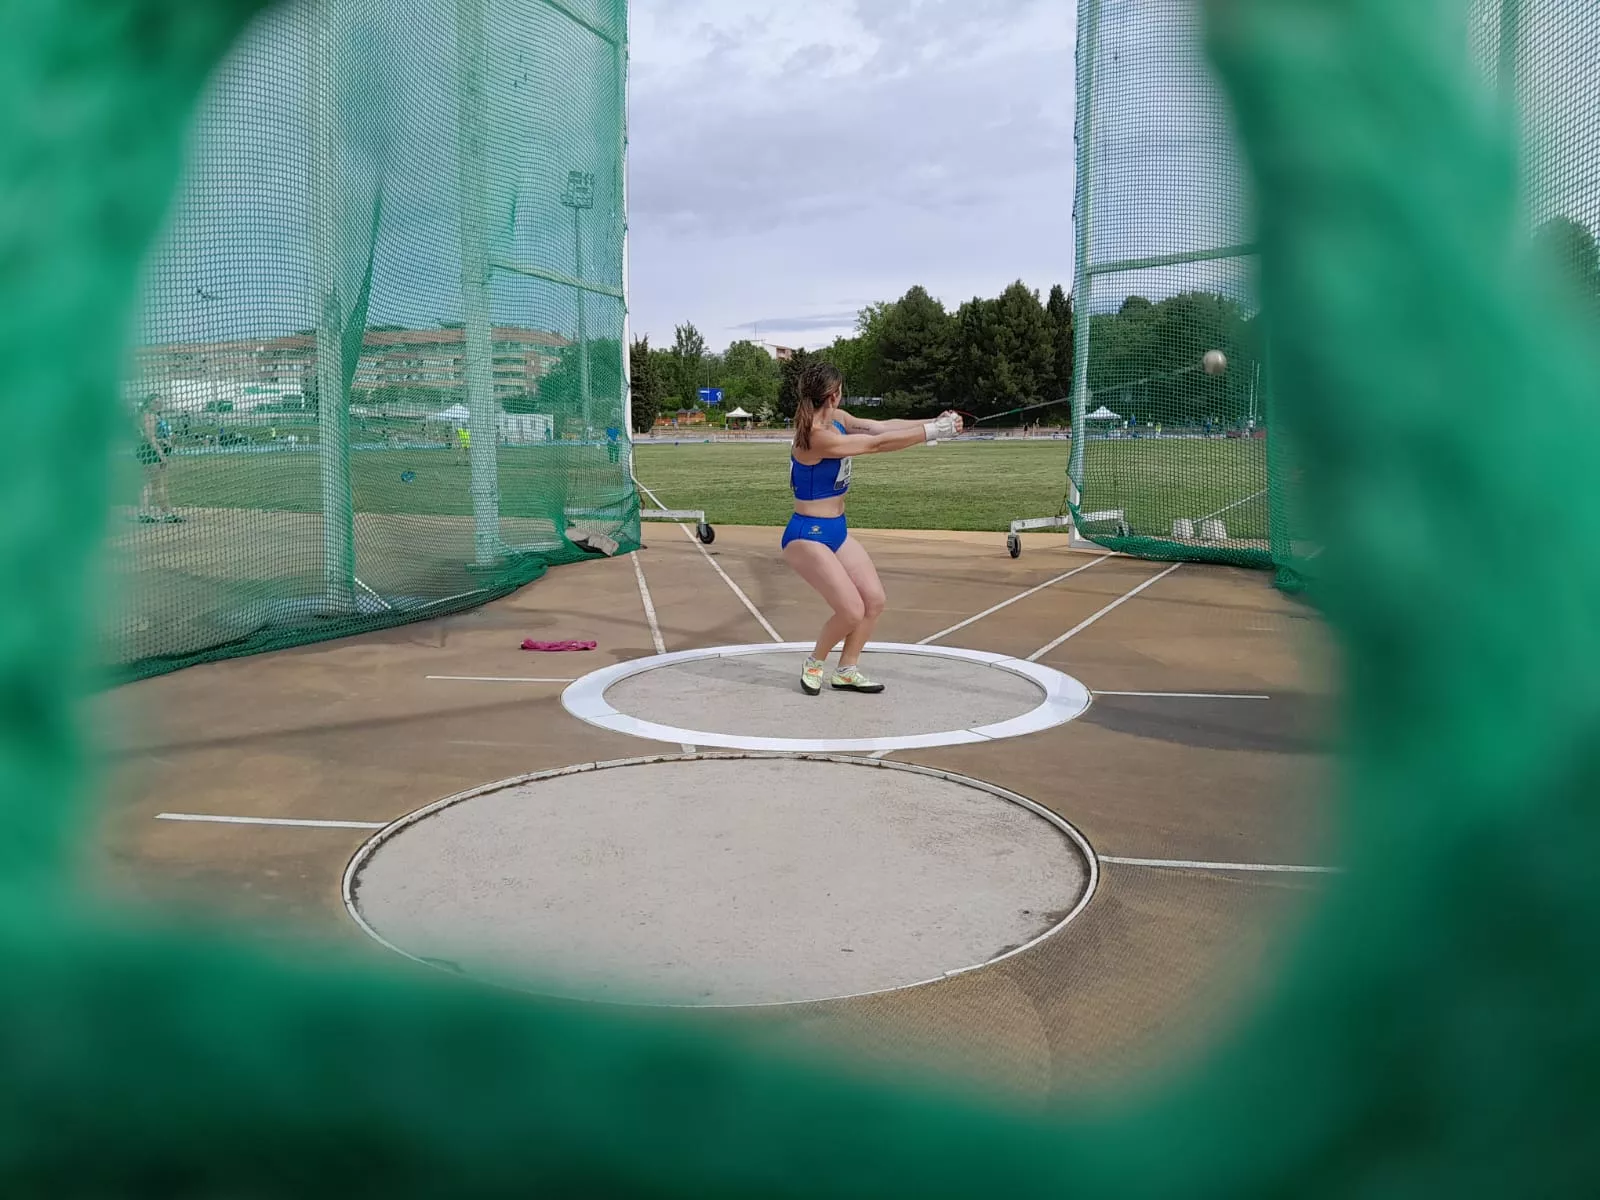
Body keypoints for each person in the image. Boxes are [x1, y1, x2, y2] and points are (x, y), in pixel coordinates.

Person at [783, 363, 961, 696]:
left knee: (874, 601)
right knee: (851, 610)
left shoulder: (839, 419)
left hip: (836, 529)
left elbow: (881, 428)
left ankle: (847, 669)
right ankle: (814, 662)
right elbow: (875, 446)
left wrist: (934, 423)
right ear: (834, 393)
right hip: (807, 534)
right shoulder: (816, 437)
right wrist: (934, 433)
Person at [135, 396, 180, 523]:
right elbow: (150, 437)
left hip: (148, 450)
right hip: (150, 451)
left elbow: (151, 436)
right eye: (155, 402)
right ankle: (167, 514)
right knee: (157, 484)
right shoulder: (148, 416)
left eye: (160, 401)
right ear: (148, 403)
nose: (159, 404)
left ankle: (144, 513)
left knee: (149, 483)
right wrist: (161, 454)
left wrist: (165, 441)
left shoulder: (153, 416)